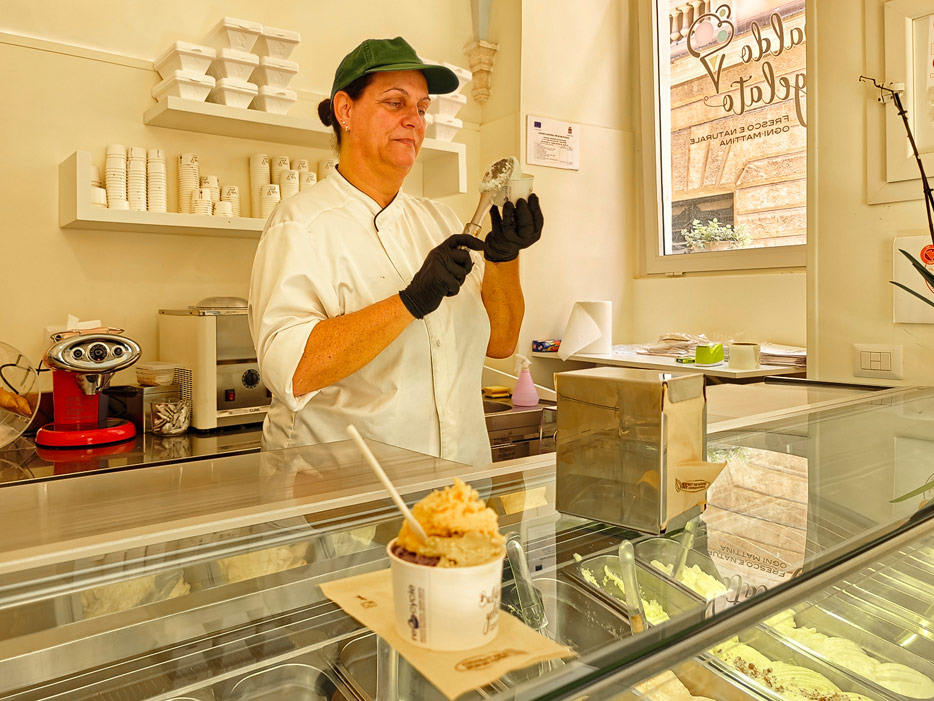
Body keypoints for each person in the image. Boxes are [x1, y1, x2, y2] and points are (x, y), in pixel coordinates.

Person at [248, 37, 543, 465]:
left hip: (455, 484)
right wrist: (409, 302)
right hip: (345, 495)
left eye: (422, 108)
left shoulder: (441, 222)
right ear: (345, 111)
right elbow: (293, 371)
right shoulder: (299, 225)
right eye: (395, 103)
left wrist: (503, 259)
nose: (415, 120)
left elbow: (500, 342)